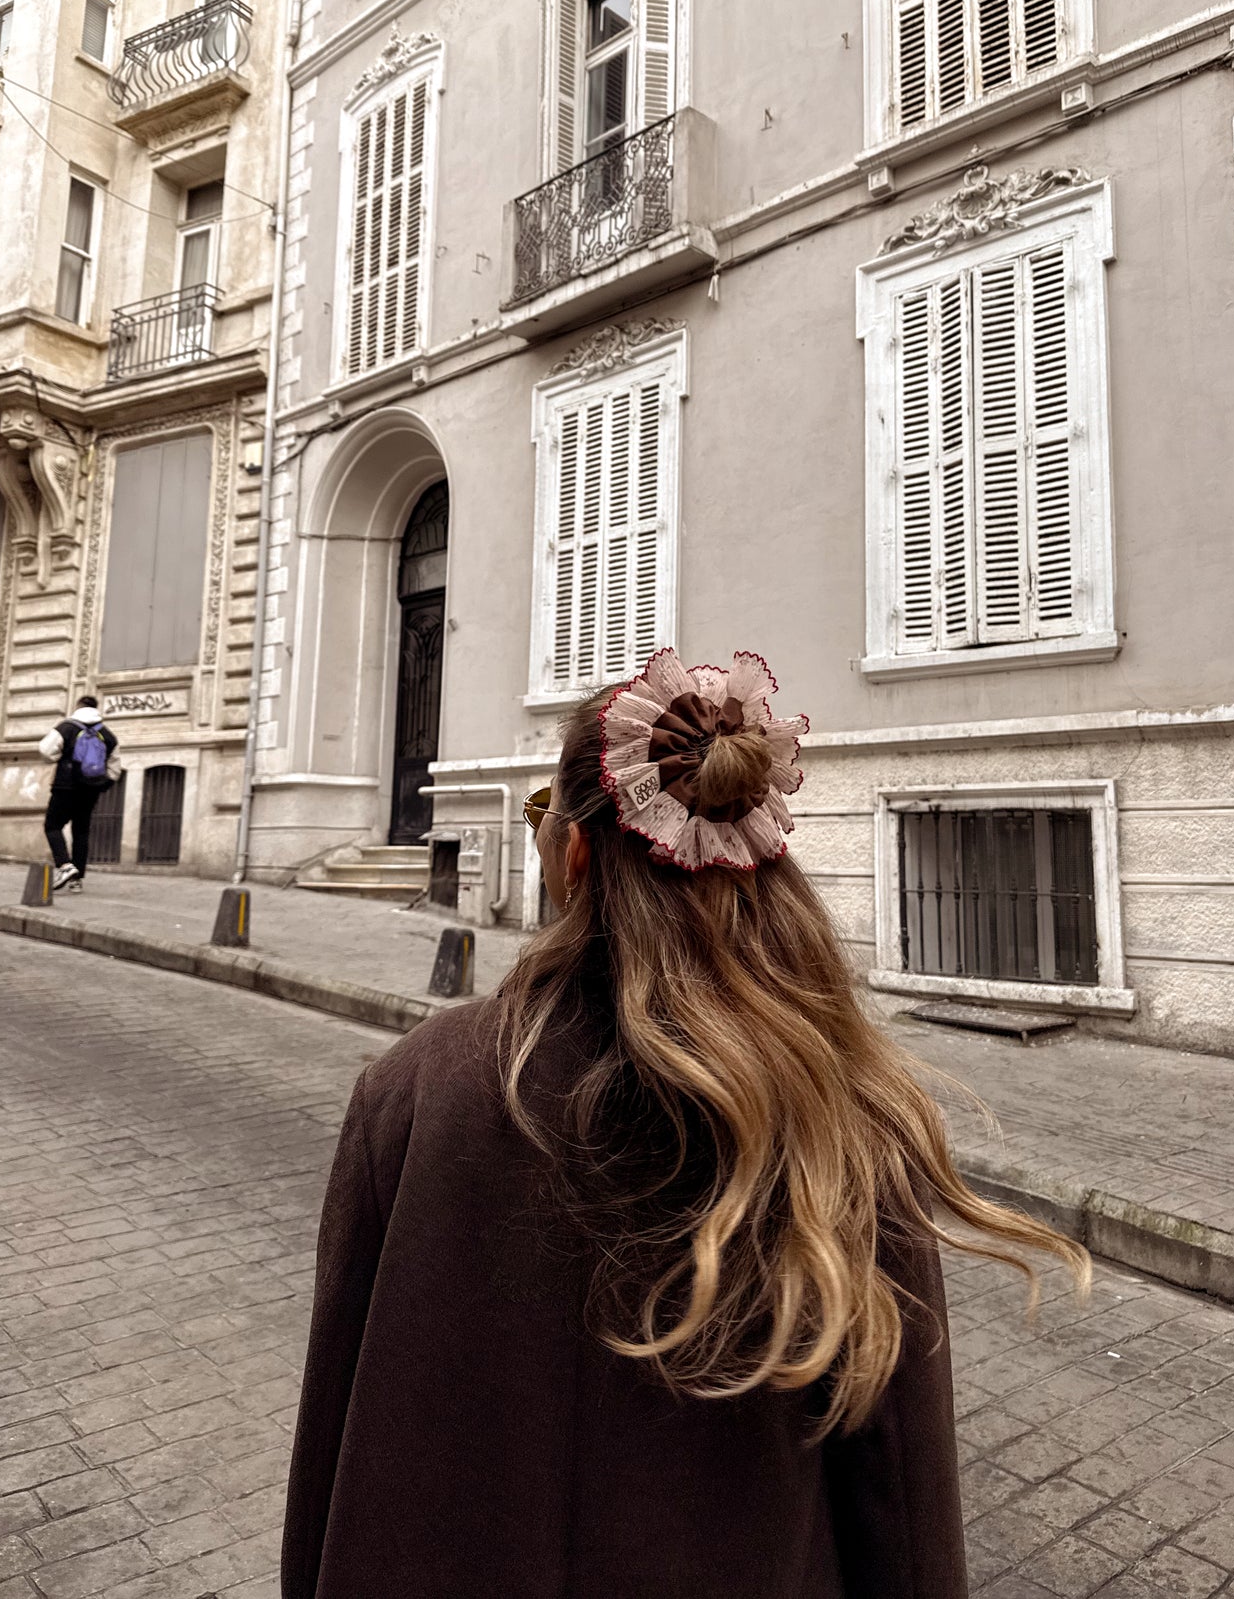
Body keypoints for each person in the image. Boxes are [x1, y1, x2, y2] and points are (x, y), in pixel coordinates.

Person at [283, 650, 1090, 1599]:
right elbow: (899, 1495)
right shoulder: (842, 1110)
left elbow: (333, 1449)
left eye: (546, 814)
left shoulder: (413, 1090)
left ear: (575, 854)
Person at [36, 696, 121, 892]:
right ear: (96, 708)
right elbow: (115, 768)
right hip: (91, 789)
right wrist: (101, 785)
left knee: (52, 825)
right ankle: (77, 881)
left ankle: (65, 865)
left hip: (65, 786)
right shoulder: (107, 734)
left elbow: (45, 750)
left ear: (78, 706)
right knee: (81, 831)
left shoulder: (66, 727)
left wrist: (60, 758)